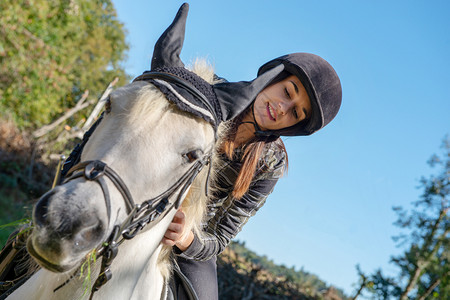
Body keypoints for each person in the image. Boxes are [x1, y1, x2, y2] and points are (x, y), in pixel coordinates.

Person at [154, 6, 342, 300]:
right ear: (273, 77)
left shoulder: (272, 165)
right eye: (288, 92)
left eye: (296, 113)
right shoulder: (206, 88)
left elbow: (220, 237)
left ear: (296, 126)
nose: (282, 108)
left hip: (190, 241)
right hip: (145, 194)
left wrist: (187, 237)